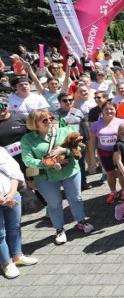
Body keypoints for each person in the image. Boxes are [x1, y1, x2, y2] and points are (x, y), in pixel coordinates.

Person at [21, 109, 94, 245]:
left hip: (70, 171)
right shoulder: (28, 139)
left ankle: (81, 221)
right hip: (46, 177)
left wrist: (64, 150)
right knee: (54, 204)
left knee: (76, 198)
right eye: (44, 120)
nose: (49, 121)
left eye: (50, 118)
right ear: (34, 123)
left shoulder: (65, 130)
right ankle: (59, 229)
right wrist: (51, 163)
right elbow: (27, 160)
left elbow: (81, 148)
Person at [0, 146, 38, 279]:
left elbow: (14, 171)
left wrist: (11, 194)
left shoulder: (1, 150)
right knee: (0, 234)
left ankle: (16, 256)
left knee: (14, 227)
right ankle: (6, 263)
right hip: (2, 197)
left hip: (11, 194)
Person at [88, 102, 124, 204]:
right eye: (106, 109)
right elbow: (92, 142)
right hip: (104, 153)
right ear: (102, 111)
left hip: (118, 152)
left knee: (122, 173)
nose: (109, 111)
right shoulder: (96, 124)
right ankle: (113, 192)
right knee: (110, 173)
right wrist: (93, 157)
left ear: (115, 110)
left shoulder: (121, 122)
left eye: (111, 109)